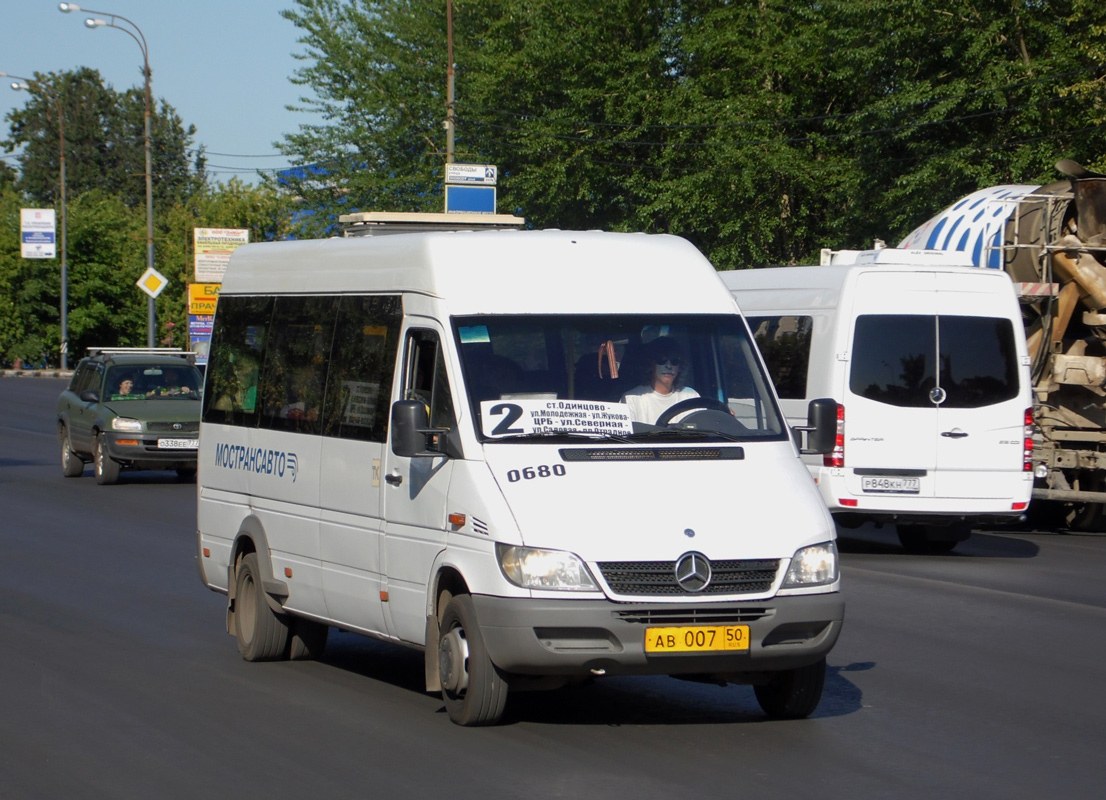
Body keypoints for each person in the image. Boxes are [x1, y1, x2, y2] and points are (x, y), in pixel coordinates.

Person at [621, 337, 699, 424]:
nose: (669, 366)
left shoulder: (691, 397)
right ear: (651, 364)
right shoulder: (631, 399)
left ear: (680, 367)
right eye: (661, 360)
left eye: (674, 361)